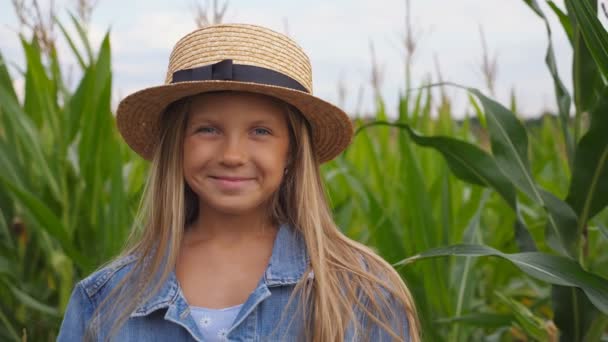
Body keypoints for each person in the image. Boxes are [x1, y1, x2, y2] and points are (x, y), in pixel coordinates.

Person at [57, 23, 420, 341]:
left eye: (260, 131)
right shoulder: (103, 300)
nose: (232, 154)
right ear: (177, 145)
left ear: (291, 152)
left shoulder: (362, 293)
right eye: (208, 129)